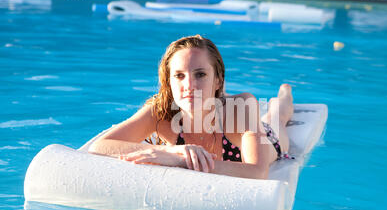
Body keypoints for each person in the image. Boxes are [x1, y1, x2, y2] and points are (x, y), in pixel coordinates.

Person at [88, 35, 294, 179]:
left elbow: (257, 172)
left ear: (218, 80)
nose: (189, 86)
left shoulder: (241, 106)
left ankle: (284, 96)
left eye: (200, 74)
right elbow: (100, 146)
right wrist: (169, 151)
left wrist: (179, 160)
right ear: (168, 82)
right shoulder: (160, 112)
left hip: (269, 140)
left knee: (278, 117)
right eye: (179, 76)